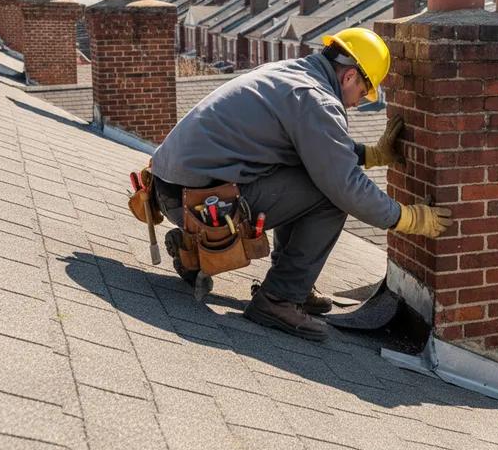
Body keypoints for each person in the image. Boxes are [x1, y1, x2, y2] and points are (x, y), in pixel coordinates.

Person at [151, 27, 452, 341]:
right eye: (363, 93)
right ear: (349, 76)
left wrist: (372, 155)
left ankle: (228, 261)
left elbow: (313, 148)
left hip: (172, 187)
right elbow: (344, 186)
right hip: (200, 200)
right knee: (331, 195)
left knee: (311, 174)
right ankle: (279, 297)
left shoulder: (291, 74)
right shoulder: (317, 99)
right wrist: (408, 218)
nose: (356, 104)